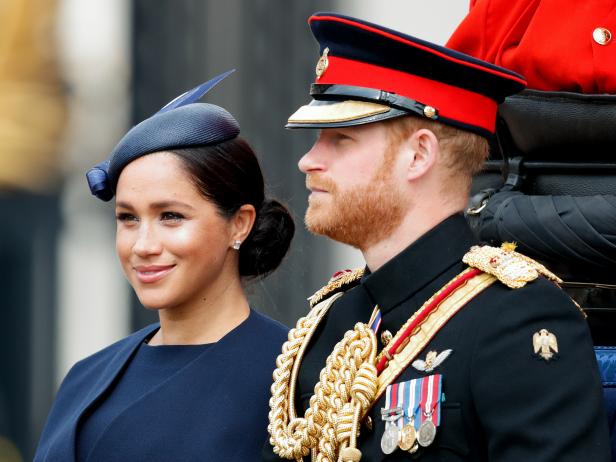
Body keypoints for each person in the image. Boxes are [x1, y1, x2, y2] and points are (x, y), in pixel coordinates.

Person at [264, 12, 611, 462]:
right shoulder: (330, 321)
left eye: (340, 139)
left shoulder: (518, 322)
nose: (308, 161)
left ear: (419, 155)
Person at [34, 71, 294, 462]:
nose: (143, 245)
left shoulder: (290, 380)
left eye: (171, 216)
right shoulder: (86, 376)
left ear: (239, 223)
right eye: (128, 218)